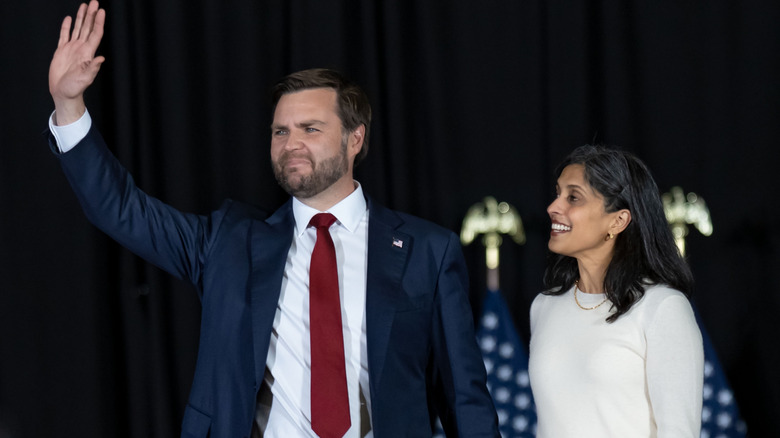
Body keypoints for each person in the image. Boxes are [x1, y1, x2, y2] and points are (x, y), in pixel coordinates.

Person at [47, 2, 499, 437]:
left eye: (311, 129)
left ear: (355, 138)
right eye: (280, 131)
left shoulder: (428, 251)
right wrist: (68, 107)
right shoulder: (228, 242)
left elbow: (465, 401)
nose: (290, 144)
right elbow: (120, 209)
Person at [528, 145, 704, 437]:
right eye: (557, 194)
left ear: (618, 221)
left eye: (573, 197)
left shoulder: (662, 307)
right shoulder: (544, 305)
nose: (553, 207)